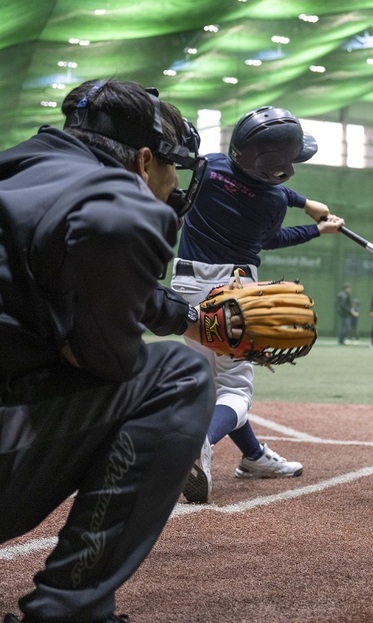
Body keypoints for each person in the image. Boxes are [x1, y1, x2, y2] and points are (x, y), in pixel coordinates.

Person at [0, 79, 216, 623]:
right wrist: (94, 350)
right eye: (173, 171)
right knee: (179, 375)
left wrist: (191, 317)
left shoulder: (22, 171)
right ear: (145, 161)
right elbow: (113, 227)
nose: (174, 187)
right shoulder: (115, 197)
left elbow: (73, 266)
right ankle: (70, 608)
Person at [171, 105, 345, 504]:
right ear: (278, 169)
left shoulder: (210, 166)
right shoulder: (271, 204)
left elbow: (254, 183)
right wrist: (317, 229)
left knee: (213, 383)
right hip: (232, 293)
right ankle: (199, 444)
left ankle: (253, 457)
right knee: (234, 388)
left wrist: (305, 201)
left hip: (184, 286)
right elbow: (272, 238)